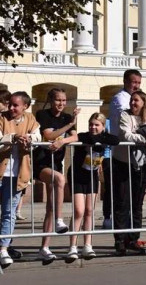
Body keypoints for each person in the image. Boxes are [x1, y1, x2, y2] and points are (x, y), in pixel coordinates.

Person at [51, 113, 120, 261]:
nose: (93, 127)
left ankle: (88, 245)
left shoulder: (104, 137)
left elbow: (116, 140)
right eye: (91, 124)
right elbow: (76, 138)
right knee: (79, 211)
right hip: (77, 175)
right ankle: (73, 247)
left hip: (92, 175)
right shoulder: (85, 136)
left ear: (103, 126)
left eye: (97, 125)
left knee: (89, 211)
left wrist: (100, 139)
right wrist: (62, 141)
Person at [113, 90, 146, 254]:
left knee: (137, 204)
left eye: (136, 101)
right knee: (122, 203)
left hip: (141, 165)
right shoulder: (125, 115)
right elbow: (125, 135)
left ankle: (133, 239)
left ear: (144, 103)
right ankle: (120, 240)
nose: (133, 103)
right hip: (123, 163)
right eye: (132, 100)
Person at [33, 88, 79, 261]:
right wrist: (67, 127)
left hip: (56, 163)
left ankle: (44, 247)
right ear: (51, 101)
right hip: (41, 163)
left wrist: (63, 140)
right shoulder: (42, 114)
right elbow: (48, 135)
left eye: (64, 100)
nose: (61, 104)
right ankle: (60, 220)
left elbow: (74, 137)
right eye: (58, 100)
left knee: (50, 207)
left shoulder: (68, 117)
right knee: (60, 179)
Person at [0, 92, 41, 267]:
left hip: (17, 174)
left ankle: (3, 248)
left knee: (9, 213)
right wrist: (13, 137)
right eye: (10, 104)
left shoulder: (31, 119)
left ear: (25, 106)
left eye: (16, 105)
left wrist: (30, 139)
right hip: (2, 171)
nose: (11, 108)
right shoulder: (1, 118)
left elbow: (39, 138)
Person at [104, 69, 142, 230]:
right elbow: (130, 119)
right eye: (134, 82)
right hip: (121, 152)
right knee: (121, 195)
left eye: (139, 83)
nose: (136, 86)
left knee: (135, 197)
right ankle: (120, 232)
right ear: (126, 82)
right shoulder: (120, 99)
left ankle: (132, 232)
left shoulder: (136, 98)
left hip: (135, 154)